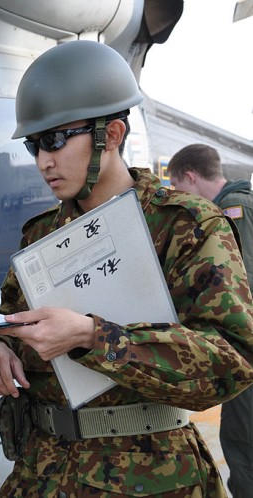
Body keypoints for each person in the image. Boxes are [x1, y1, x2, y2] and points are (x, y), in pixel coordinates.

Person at [0, 40, 253, 497]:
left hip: (150, 474)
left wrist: (91, 336)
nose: (44, 160)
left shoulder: (186, 226)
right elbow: (9, 317)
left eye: (56, 139)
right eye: (34, 145)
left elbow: (230, 360)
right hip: (43, 469)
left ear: (114, 134)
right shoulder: (42, 234)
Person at [168, 143, 253, 498]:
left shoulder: (232, 212)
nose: (179, 200)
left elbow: (240, 285)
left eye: (177, 189)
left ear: (190, 176)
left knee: (242, 441)